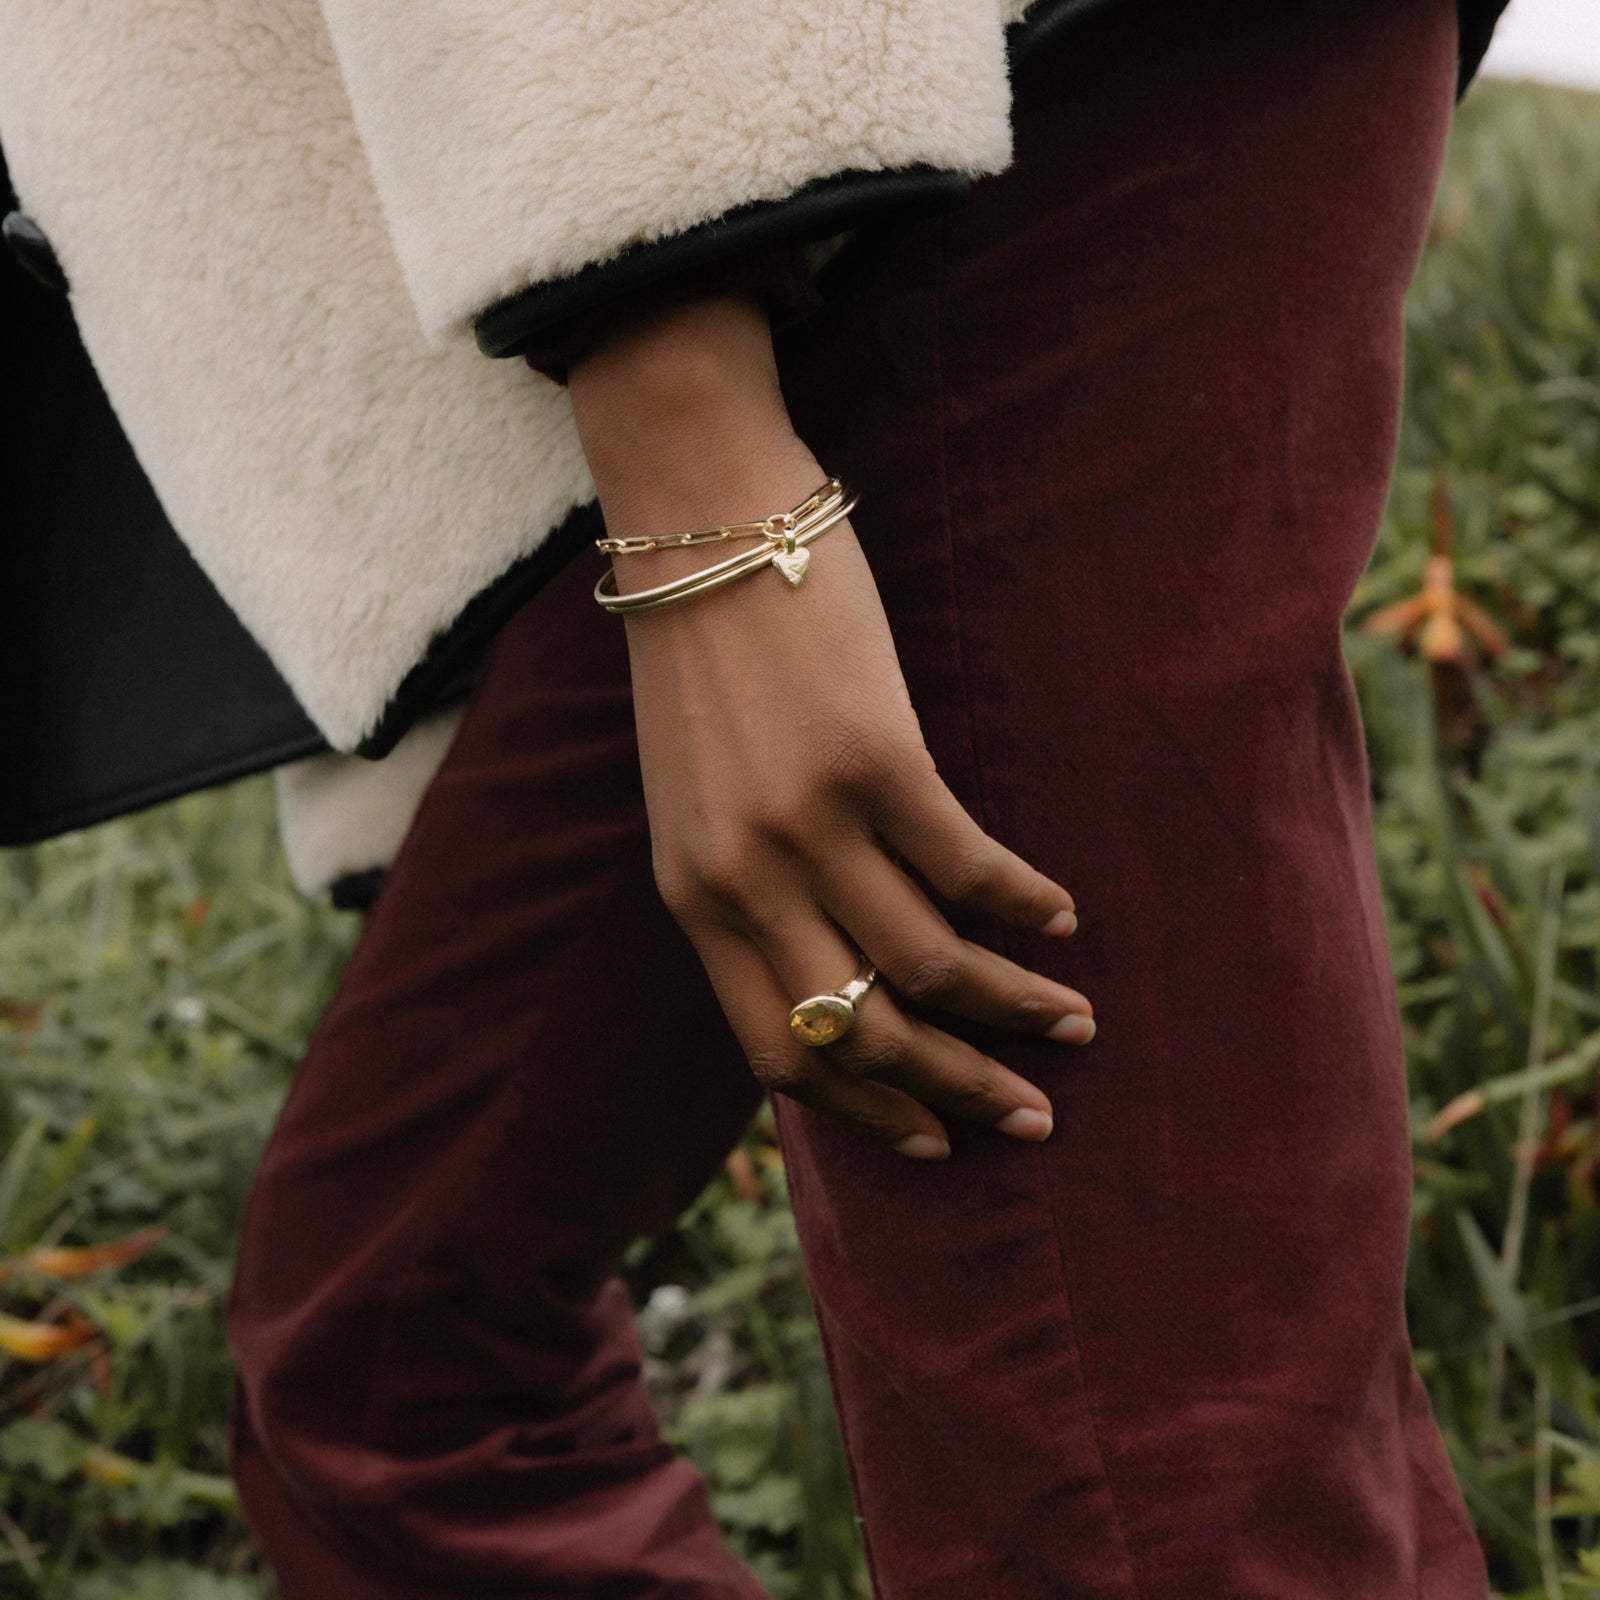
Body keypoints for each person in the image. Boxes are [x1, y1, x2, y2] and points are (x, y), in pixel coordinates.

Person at [1, 0, 1508, 1592]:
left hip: (900, 148)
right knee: (396, 1361)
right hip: (687, 260)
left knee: (1125, 1451)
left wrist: (689, 441)